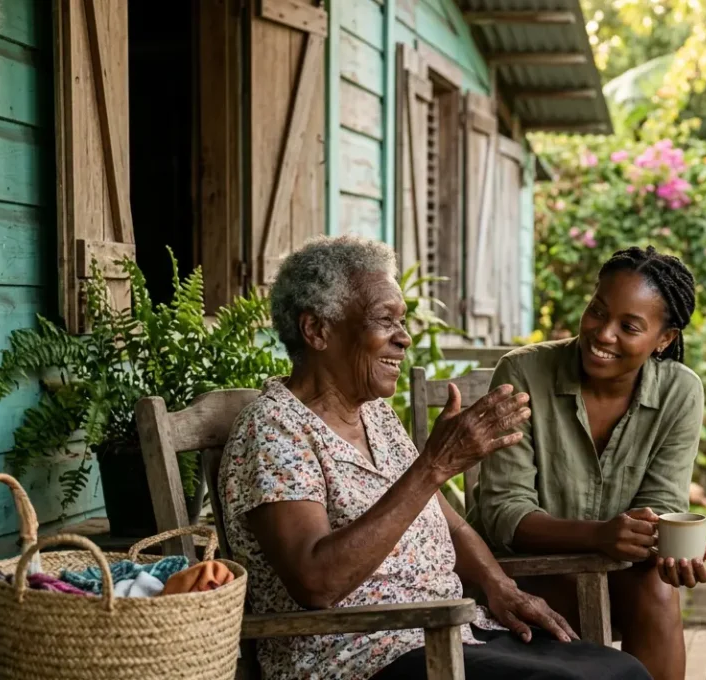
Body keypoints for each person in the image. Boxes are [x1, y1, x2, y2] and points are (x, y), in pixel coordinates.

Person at [218, 236, 650, 680]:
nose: (404, 338)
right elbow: (315, 581)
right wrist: (434, 466)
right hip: (356, 657)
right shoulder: (274, 429)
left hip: (448, 634)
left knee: (621, 671)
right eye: (385, 320)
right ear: (317, 330)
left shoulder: (374, 415)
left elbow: (448, 522)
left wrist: (500, 587)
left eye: (402, 321)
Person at [472, 246, 706, 680]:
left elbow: (660, 502)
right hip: (518, 576)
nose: (603, 334)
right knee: (647, 587)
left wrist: (670, 543)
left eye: (629, 326)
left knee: (658, 586)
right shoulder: (524, 373)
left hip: (616, 577)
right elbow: (502, 512)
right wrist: (599, 536)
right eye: (597, 312)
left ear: (665, 339)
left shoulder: (680, 392)